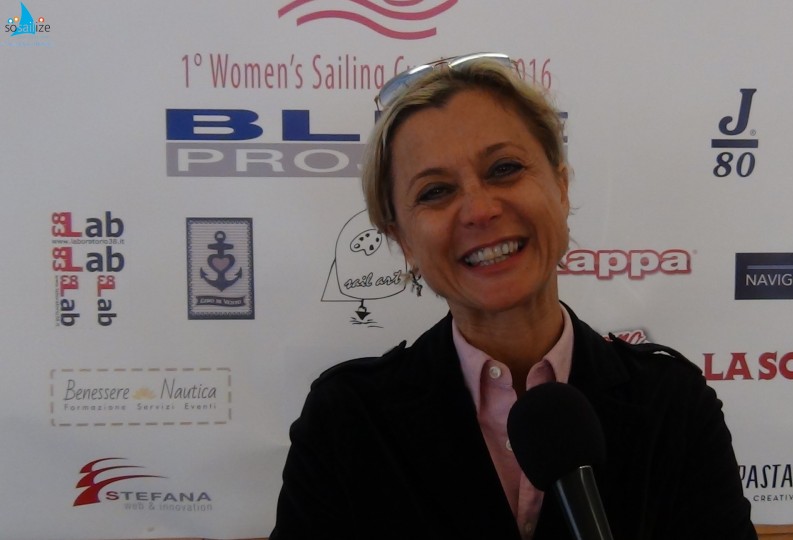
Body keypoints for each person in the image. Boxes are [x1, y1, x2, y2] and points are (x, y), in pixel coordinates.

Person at [270, 52, 757, 539]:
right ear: (403, 241)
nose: (479, 210)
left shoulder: (675, 405)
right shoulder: (345, 420)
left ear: (560, 188)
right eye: (435, 191)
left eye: (504, 168)